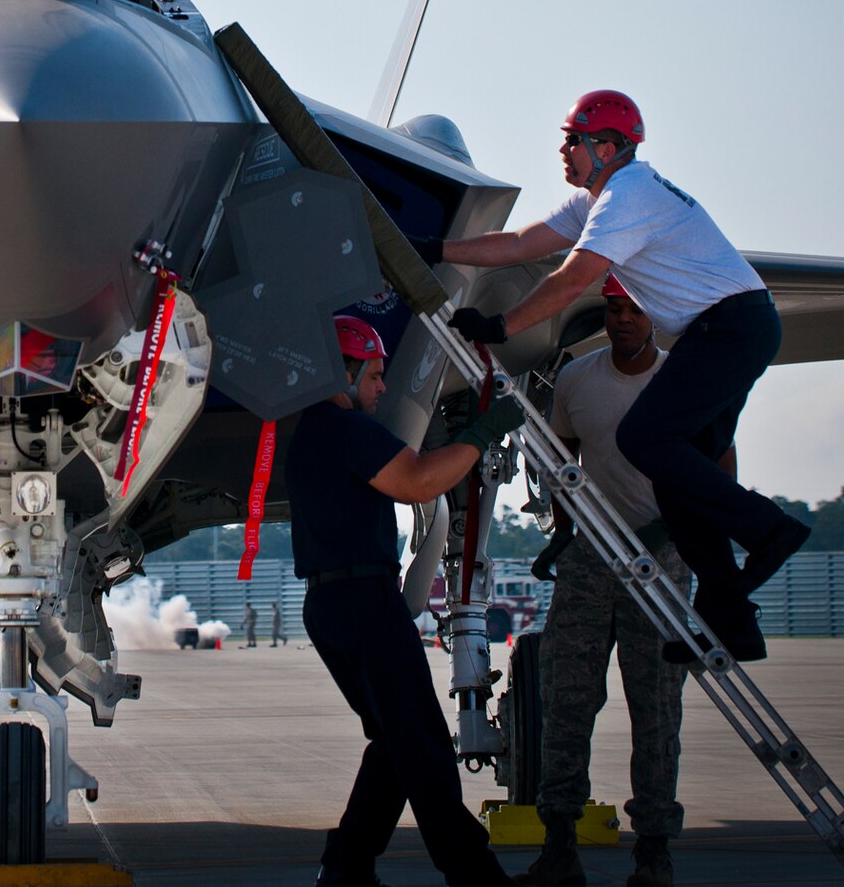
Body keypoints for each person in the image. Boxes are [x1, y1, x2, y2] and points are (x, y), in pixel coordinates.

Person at [419, 90, 807, 665]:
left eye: (573, 139)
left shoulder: (628, 197)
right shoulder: (598, 200)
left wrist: (500, 326)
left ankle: (770, 529)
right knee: (678, 485)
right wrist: (435, 248)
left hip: (730, 329)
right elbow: (523, 244)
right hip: (725, 329)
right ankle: (732, 620)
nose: (564, 149)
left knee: (644, 439)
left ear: (606, 147)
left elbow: (574, 279)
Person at [293, 313, 526, 887]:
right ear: (344, 374)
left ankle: (347, 865)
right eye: (373, 377)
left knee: (395, 743)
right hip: (365, 603)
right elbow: (420, 482)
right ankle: (475, 874)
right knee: (421, 744)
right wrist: (480, 433)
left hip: (330, 605)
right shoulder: (345, 429)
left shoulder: (311, 432)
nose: (380, 390)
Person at [520, 276, 696, 887]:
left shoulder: (683, 380)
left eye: (634, 310)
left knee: (656, 707)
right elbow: (565, 461)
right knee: (566, 702)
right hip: (592, 559)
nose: (623, 320)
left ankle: (653, 850)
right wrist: (566, 535)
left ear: (654, 317)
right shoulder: (576, 380)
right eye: (614, 309)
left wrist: (693, 533)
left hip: (663, 557)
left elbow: (717, 459)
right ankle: (559, 845)